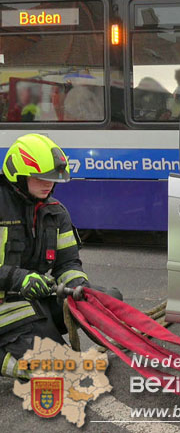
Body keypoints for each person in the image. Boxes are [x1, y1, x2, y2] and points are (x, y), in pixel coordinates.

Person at [0, 134, 121, 378]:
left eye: (53, 179)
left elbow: (68, 263)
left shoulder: (55, 212)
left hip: (30, 302)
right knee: (59, 369)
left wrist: (79, 287)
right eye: (41, 178)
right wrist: (18, 279)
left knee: (107, 299)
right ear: (18, 175)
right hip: (6, 305)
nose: (49, 184)